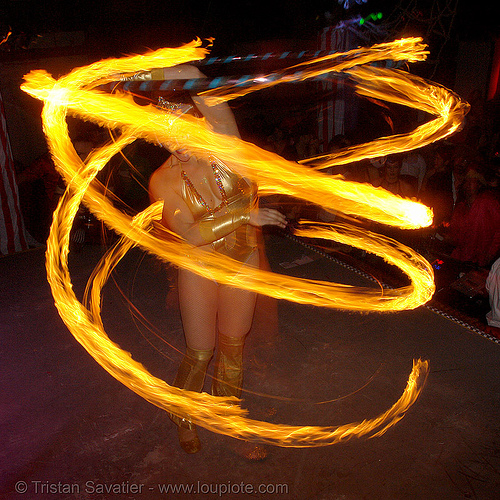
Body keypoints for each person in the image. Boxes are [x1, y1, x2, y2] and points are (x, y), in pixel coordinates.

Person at [148, 65, 287, 454]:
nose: (178, 141)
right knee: (201, 351)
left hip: (242, 260)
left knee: (233, 348)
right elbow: (190, 234)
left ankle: (228, 420)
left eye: (185, 129)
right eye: (167, 135)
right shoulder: (163, 181)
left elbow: (195, 75)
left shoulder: (227, 145)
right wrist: (244, 214)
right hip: (202, 266)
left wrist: (147, 69)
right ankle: (184, 412)